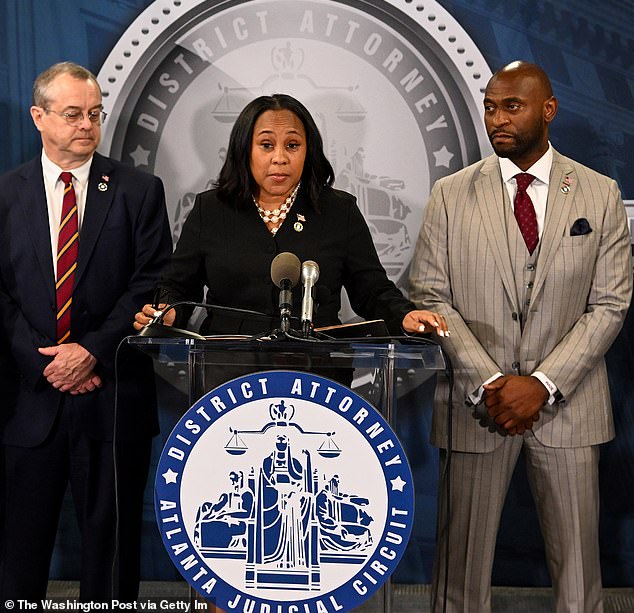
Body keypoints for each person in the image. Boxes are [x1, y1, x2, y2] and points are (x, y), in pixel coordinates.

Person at [408, 60, 633, 612]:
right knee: (459, 582)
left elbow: (610, 303)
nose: (497, 118)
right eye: (490, 107)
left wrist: (543, 383)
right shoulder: (450, 194)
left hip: (570, 407)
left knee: (580, 581)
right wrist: (491, 381)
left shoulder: (600, 194)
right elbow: (430, 294)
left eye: (512, 106)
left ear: (548, 110)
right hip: (476, 404)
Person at [0, 62, 172, 602]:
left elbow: (152, 285)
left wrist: (90, 354)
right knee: (19, 553)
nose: (86, 125)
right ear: (38, 117)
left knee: (112, 553)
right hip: (29, 403)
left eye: (94, 114)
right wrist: (47, 364)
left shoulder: (139, 191)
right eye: (72, 114)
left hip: (113, 397)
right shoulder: (5, 195)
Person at [134, 93, 448, 338]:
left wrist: (403, 315)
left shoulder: (339, 211)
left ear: (308, 151)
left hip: (317, 372)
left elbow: (372, 289)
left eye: (293, 145)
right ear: (245, 150)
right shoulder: (211, 210)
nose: (280, 158)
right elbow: (177, 287)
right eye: (266, 145)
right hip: (226, 371)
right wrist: (168, 310)